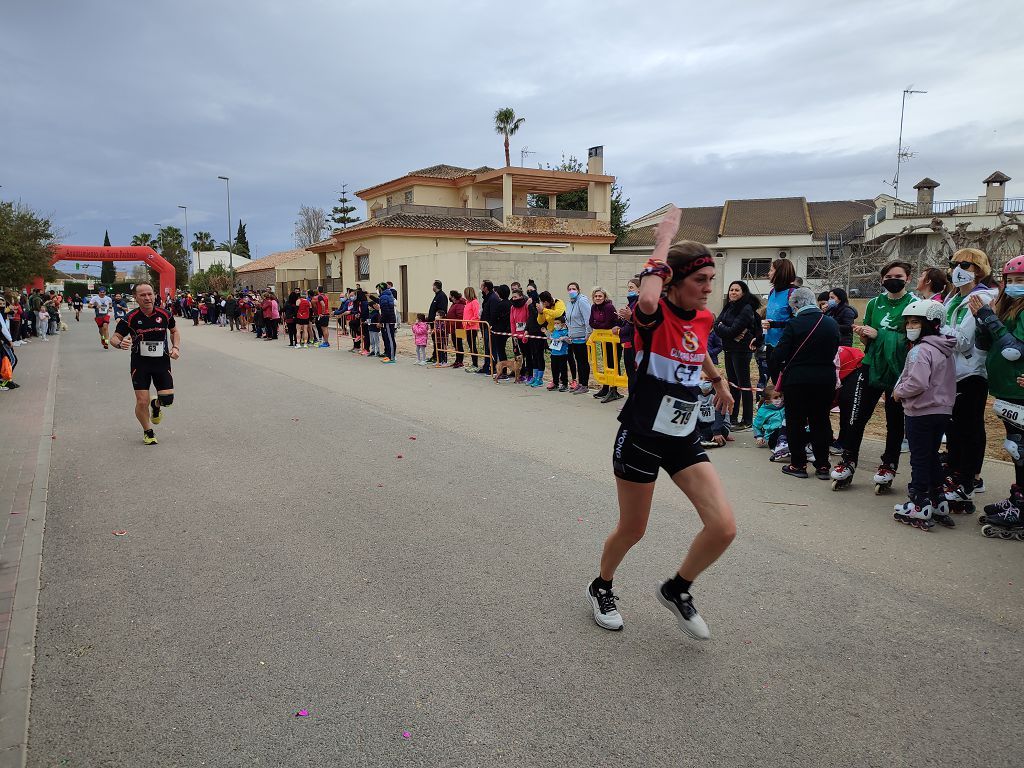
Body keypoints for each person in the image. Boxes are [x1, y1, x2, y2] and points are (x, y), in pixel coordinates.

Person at [589, 206, 736, 641]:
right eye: (700, 280)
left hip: (682, 435)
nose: (710, 289)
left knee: (724, 527)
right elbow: (650, 298)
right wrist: (664, 239)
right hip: (641, 435)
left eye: (712, 280)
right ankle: (602, 586)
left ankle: (677, 588)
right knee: (634, 529)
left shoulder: (705, 317)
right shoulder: (650, 316)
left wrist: (717, 378)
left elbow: (699, 347)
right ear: (673, 280)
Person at [830, 261, 916, 491]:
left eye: (898, 276)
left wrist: (880, 335)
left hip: (898, 370)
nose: (892, 280)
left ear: (908, 278)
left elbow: (913, 340)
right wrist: (865, 335)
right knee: (857, 415)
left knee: (894, 420)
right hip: (871, 366)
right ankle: (848, 460)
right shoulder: (874, 303)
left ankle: (889, 464)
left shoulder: (914, 304)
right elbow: (868, 340)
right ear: (882, 280)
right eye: (888, 276)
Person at [889, 299, 956, 530]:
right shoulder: (945, 349)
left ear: (932, 324)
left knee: (918, 457)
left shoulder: (920, 351)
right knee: (930, 455)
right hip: (942, 410)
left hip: (920, 411)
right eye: (908, 322)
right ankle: (938, 499)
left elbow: (917, 382)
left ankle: (919, 501)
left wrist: (898, 393)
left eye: (915, 322)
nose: (910, 327)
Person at [939, 249, 998, 508]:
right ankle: (956, 475)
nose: (957, 269)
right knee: (954, 428)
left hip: (972, 372)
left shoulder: (981, 299)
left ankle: (967, 482)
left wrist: (935, 328)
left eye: (965, 265)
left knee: (969, 428)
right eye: (954, 264)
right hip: (951, 373)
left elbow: (962, 342)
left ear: (979, 270)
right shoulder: (953, 298)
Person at [972, 254, 1024, 533]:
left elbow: (1013, 349)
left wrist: (989, 317)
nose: (1014, 286)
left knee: (1021, 447)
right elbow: (985, 344)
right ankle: (1018, 496)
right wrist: (981, 319)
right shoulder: (1007, 307)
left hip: (1020, 388)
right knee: (1015, 447)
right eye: (1010, 281)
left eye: (1021, 281)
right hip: (1006, 388)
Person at [771, 287, 840, 479]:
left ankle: (798, 464)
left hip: (797, 380)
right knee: (821, 420)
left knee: (796, 422)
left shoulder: (794, 324)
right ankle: (823, 465)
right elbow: (835, 349)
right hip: (825, 378)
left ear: (795, 305)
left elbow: (779, 354)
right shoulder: (831, 323)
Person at [109, 282, 180, 445]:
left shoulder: (165, 314)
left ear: (154, 295)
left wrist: (176, 347)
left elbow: (174, 331)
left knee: (167, 400)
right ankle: (148, 431)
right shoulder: (130, 318)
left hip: (162, 362)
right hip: (140, 364)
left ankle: (156, 404)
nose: (147, 298)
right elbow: (114, 338)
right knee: (141, 401)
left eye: (150, 294)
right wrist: (120, 344)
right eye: (143, 295)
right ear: (135, 297)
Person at [714, 280, 761, 429]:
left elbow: (733, 329)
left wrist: (726, 330)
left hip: (741, 350)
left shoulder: (746, 308)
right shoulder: (729, 306)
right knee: (733, 384)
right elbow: (716, 325)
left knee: (744, 384)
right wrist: (728, 331)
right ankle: (733, 417)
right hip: (729, 348)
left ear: (743, 293)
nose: (733, 292)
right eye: (731, 289)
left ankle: (747, 420)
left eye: (737, 290)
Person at [589, 287, 623, 402]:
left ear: (604, 297)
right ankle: (605, 387)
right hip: (604, 339)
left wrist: (598, 324)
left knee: (613, 363)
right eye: (596, 296)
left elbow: (608, 324)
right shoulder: (594, 307)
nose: (597, 298)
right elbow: (591, 323)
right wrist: (599, 324)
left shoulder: (609, 307)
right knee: (606, 363)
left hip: (614, 339)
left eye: (600, 296)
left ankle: (614, 390)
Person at [760, 258, 797, 362]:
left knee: (783, 377)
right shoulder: (772, 292)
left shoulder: (793, 293)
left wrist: (775, 324)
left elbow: (797, 321)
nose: (768, 273)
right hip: (770, 344)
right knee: (774, 377)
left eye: (771, 270)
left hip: (785, 345)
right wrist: (759, 338)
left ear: (780, 273)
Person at [564, 281, 592, 393]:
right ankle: (580, 383)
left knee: (583, 361)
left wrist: (588, 333)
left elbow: (588, 318)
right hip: (574, 337)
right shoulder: (569, 303)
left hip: (582, 336)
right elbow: (569, 320)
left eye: (573, 289)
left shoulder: (582, 301)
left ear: (578, 290)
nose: (571, 291)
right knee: (578, 361)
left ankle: (585, 384)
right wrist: (569, 334)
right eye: (569, 289)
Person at [616, 278, 641, 392]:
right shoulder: (631, 303)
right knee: (631, 374)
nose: (629, 290)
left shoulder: (640, 303)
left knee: (634, 374)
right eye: (628, 288)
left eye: (631, 287)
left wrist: (620, 331)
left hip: (635, 343)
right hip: (628, 342)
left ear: (640, 290)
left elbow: (637, 323)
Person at [753, 382, 786, 450]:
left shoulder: (785, 407)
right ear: (767, 401)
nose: (780, 399)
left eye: (781, 396)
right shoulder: (763, 411)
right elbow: (756, 426)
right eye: (776, 397)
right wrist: (759, 437)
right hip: (772, 436)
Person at [477, 280, 499, 376]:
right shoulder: (487, 297)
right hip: (485, 326)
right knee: (487, 347)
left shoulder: (493, 298)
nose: (481, 288)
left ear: (486, 288)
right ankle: (486, 365)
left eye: (482, 286)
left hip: (489, 327)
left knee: (491, 347)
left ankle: (492, 367)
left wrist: (490, 325)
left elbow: (493, 313)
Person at [426, 281, 448, 364]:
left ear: (436, 286)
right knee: (435, 340)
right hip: (433, 322)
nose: (432, 287)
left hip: (438, 324)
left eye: (433, 285)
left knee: (438, 341)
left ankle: (440, 357)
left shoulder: (442, 296)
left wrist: (437, 319)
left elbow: (441, 311)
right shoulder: (437, 296)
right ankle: (435, 356)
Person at [546, 316, 570, 392]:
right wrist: (547, 333)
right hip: (554, 353)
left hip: (562, 354)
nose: (556, 325)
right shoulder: (555, 331)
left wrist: (564, 338)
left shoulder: (566, 331)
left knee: (563, 369)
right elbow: (551, 337)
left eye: (558, 323)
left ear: (563, 324)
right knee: (554, 369)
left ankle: (565, 384)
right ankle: (555, 383)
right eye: (555, 323)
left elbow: (570, 341)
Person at [377, 282, 397, 363]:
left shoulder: (384, 296)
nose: (377, 290)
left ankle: (392, 357)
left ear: (381, 289)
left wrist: (381, 321)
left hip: (389, 320)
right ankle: (389, 355)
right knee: (389, 338)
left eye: (378, 289)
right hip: (389, 319)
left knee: (390, 339)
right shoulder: (387, 295)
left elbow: (385, 311)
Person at [462, 286, 481, 372]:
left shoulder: (474, 302)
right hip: (467, 327)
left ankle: (475, 364)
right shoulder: (467, 303)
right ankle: (473, 363)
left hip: (472, 327)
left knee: (473, 346)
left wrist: (469, 322)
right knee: (470, 346)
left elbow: (476, 316)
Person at [447, 290, 467, 368]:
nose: (449, 297)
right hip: (453, 328)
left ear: (453, 297)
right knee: (456, 345)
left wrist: (453, 323)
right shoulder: (454, 304)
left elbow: (460, 317)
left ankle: (460, 361)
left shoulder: (459, 305)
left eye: (450, 295)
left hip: (459, 328)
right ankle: (457, 360)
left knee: (459, 345)